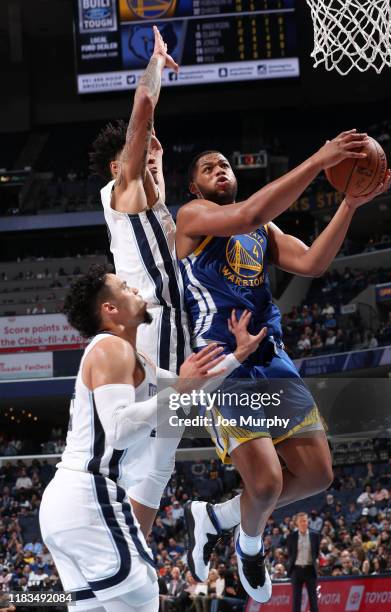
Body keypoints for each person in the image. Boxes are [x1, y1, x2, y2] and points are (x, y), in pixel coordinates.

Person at [178, 145, 391, 601]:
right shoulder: (192, 217)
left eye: (225, 164)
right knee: (269, 482)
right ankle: (249, 545)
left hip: (271, 357)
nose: (220, 169)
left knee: (317, 475)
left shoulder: (262, 229)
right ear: (194, 186)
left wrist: (349, 206)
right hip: (222, 361)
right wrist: (317, 161)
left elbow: (313, 262)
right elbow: (248, 212)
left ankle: (215, 519)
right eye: (208, 167)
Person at [39, 264, 267, 612]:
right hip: (89, 496)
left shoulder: (134, 357)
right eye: (125, 287)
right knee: (143, 598)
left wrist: (238, 356)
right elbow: (118, 430)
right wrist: (180, 386)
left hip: (71, 503)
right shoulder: (110, 349)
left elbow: (187, 392)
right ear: (109, 309)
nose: (136, 291)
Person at [89, 25, 189, 539]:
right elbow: (142, 112)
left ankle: (127, 553)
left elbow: (151, 138)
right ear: (119, 164)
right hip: (153, 323)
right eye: (142, 151)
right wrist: (154, 64)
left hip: (164, 323)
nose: (152, 155)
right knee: (156, 447)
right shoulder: (123, 189)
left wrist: (154, 144)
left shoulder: (150, 197)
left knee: (160, 456)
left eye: (157, 152)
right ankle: (118, 552)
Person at [286, 513, 320, 612]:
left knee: (313, 599)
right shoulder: (291, 537)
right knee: (296, 599)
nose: (303, 523)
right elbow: (290, 553)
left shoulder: (315, 535)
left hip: (310, 570)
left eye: (305, 520)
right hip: (296, 570)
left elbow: (316, 552)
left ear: (308, 521)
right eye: (301, 521)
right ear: (297, 523)